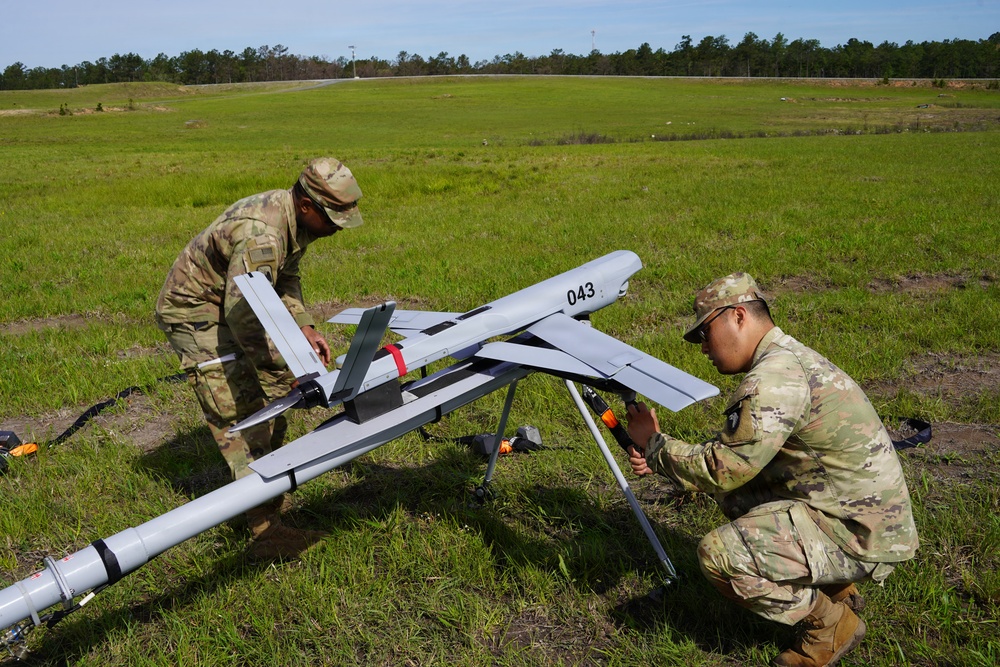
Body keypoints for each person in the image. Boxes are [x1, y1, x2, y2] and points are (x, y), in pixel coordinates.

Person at [625, 273, 918, 667]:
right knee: (740, 495)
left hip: (862, 534)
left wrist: (654, 446)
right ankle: (834, 584)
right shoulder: (785, 358)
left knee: (720, 555)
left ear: (738, 316)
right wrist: (663, 455)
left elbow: (722, 468)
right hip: (860, 515)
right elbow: (736, 464)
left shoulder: (774, 378)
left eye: (705, 334)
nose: (703, 349)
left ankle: (829, 624)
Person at [155, 157, 364, 561]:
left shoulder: (292, 220)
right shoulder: (262, 234)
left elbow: (284, 278)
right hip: (196, 312)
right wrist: (278, 374)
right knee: (243, 413)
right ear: (307, 205)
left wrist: (303, 327)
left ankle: (257, 502)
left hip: (229, 305)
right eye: (334, 216)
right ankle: (266, 532)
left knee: (269, 407)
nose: (339, 227)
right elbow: (243, 315)